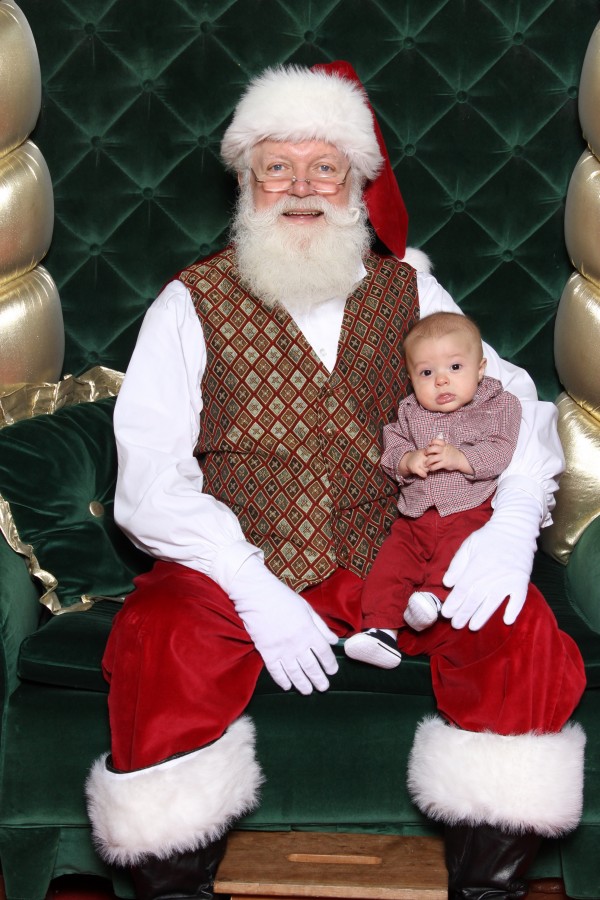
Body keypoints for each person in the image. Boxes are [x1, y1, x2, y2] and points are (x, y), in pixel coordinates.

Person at [84, 62, 586, 900]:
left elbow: (513, 399)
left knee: (517, 626)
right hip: (235, 556)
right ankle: (172, 889)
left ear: (356, 183)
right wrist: (249, 581)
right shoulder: (188, 302)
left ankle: (488, 887)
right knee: (156, 638)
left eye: (325, 167)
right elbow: (148, 478)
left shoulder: (411, 289)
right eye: (277, 166)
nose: (302, 186)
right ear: (247, 182)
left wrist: (510, 524)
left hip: (392, 547)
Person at [345, 311, 523, 669]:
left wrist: (461, 457)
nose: (442, 381)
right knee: (390, 566)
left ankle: (434, 597)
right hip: (414, 515)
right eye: (427, 373)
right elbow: (391, 450)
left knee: (459, 557)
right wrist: (407, 460)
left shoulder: (499, 404)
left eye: (455, 368)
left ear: (480, 368)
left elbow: (502, 449)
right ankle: (381, 631)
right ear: (412, 379)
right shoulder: (409, 412)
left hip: (469, 510)